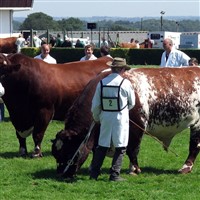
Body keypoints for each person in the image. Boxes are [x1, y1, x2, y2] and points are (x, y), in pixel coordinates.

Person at [90, 57, 135, 181]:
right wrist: (125, 110)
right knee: (120, 146)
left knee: (102, 145)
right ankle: (114, 174)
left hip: (105, 116)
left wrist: (97, 117)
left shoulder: (102, 82)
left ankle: (94, 173)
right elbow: (132, 103)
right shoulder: (125, 83)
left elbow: (95, 105)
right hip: (120, 117)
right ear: (121, 69)